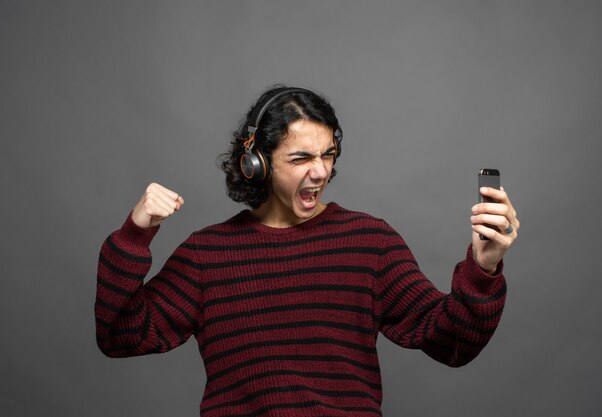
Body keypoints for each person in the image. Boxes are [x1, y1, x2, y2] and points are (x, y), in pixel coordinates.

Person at [95, 86, 519, 417]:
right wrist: (135, 233)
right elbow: (120, 335)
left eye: (328, 155)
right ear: (255, 163)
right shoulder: (208, 254)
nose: (321, 172)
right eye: (301, 158)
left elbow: (452, 343)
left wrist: (484, 267)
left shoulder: (369, 243)